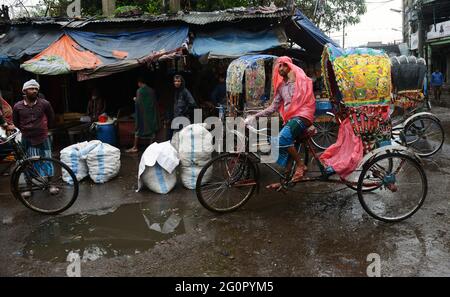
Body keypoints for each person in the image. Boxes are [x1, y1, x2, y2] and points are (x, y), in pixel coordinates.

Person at [245, 56, 316, 189]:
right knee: (284, 146)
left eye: (284, 65)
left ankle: (301, 165)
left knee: (282, 138)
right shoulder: (281, 87)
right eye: (279, 66)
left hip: (303, 116)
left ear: (290, 67)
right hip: (292, 119)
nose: (281, 68)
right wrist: (255, 116)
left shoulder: (301, 81)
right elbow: (273, 107)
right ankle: (285, 182)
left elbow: (309, 98)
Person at [13, 79, 57, 197]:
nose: (34, 91)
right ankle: (29, 187)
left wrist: (46, 129)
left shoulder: (45, 103)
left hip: (43, 136)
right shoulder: (18, 106)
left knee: (47, 159)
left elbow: (51, 117)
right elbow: (16, 122)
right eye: (31, 89)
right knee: (27, 162)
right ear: (24, 91)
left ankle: (51, 184)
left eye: (36, 89)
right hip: (26, 138)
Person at [126, 77, 160, 153]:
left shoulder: (139, 91)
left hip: (142, 115)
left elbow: (138, 103)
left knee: (138, 129)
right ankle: (150, 148)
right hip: (151, 114)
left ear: (140, 83)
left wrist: (135, 99)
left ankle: (135, 147)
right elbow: (154, 103)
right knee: (152, 130)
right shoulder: (152, 91)